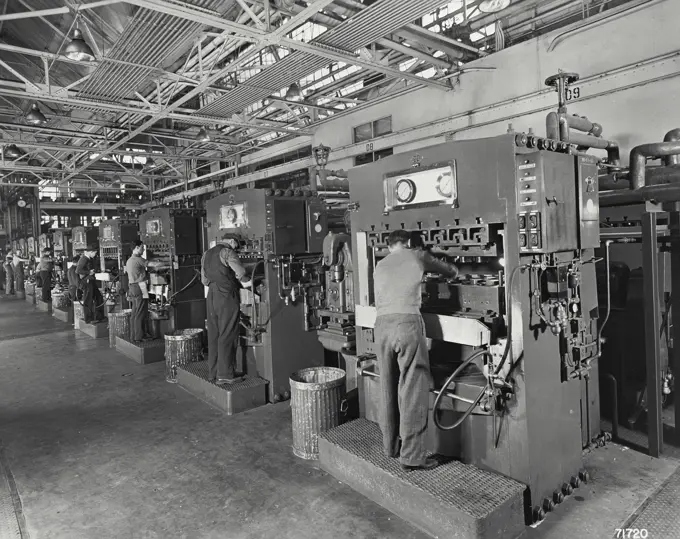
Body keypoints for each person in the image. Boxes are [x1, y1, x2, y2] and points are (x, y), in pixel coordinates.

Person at [374, 230, 459, 472]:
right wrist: (455, 272)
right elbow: (446, 269)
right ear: (409, 243)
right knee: (412, 387)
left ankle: (390, 447)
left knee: (387, 386)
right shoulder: (417, 255)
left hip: (381, 326)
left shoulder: (380, 264)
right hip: (406, 324)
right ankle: (412, 457)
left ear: (389, 245)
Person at [201, 235, 252, 385]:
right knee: (227, 333)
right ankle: (225, 375)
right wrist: (250, 285)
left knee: (214, 334)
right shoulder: (227, 252)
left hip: (211, 295)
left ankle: (214, 373)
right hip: (226, 296)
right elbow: (241, 273)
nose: (237, 247)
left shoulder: (206, 254)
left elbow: (204, 280)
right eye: (236, 244)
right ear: (231, 241)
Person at [125, 240, 151, 343]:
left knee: (135, 312)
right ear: (136, 247)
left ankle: (134, 335)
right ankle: (139, 336)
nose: (143, 249)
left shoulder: (129, 260)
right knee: (141, 312)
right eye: (142, 247)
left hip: (133, 286)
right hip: (141, 286)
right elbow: (152, 264)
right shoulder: (138, 259)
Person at [76, 247, 105, 323]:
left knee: (99, 297)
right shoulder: (84, 259)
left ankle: (99, 316)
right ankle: (88, 319)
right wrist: (89, 272)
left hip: (91, 280)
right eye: (95, 253)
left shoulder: (89, 259)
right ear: (91, 252)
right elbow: (78, 270)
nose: (95, 255)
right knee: (88, 300)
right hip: (87, 281)